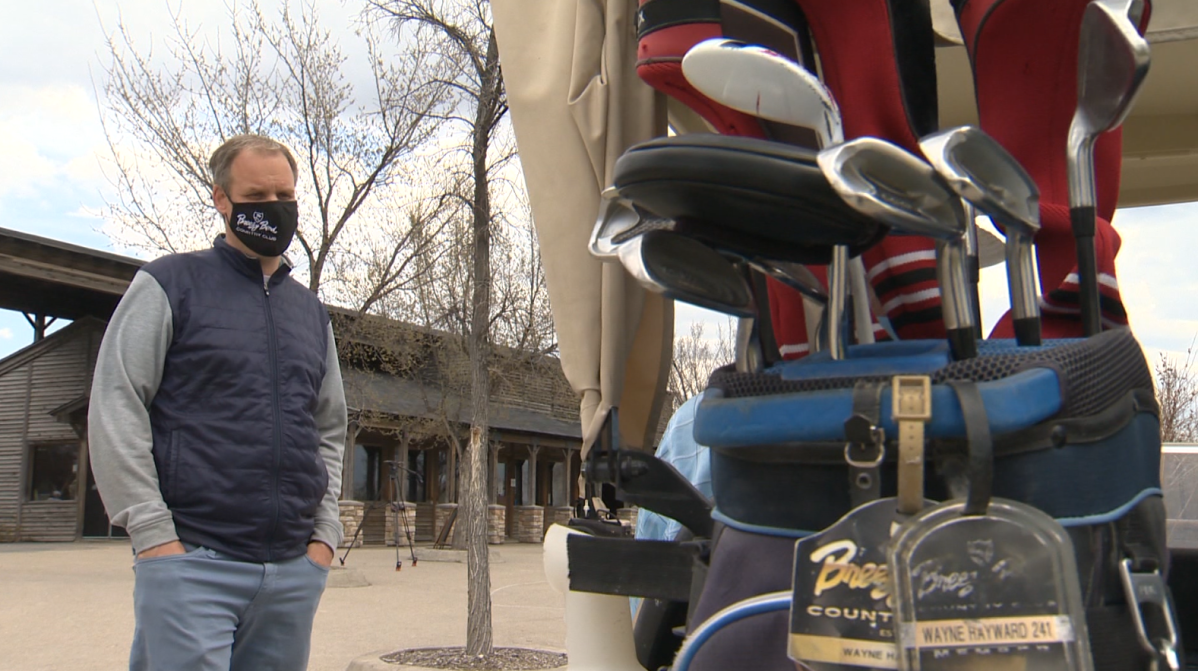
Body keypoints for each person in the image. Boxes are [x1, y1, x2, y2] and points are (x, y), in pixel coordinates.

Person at [88, 134, 347, 671]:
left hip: (292, 573)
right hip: (192, 562)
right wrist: (153, 536)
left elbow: (329, 429)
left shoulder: (311, 314)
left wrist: (324, 537)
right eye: (257, 193)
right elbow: (117, 403)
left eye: (285, 193)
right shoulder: (168, 284)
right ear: (221, 199)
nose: (274, 206)